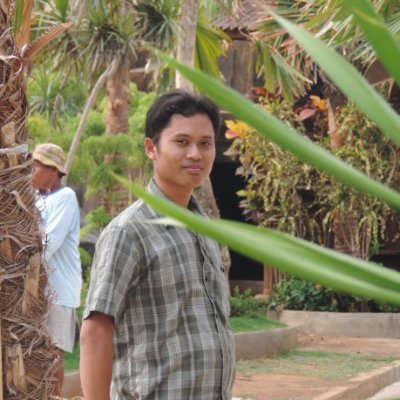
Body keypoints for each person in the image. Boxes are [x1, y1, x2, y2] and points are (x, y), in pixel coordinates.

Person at [80, 90, 235, 400]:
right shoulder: (129, 231)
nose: (195, 154)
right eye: (182, 142)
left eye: (205, 143)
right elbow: (95, 331)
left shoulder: (204, 228)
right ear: (151, 148)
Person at [32, 143, 82, 396]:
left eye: (36, 167)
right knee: (34, 352)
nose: (31, 172)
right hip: (37, 289)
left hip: (58, 290)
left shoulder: (65, 197)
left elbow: (47, 244)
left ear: (53, 170)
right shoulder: (36, 198)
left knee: (52, 351)